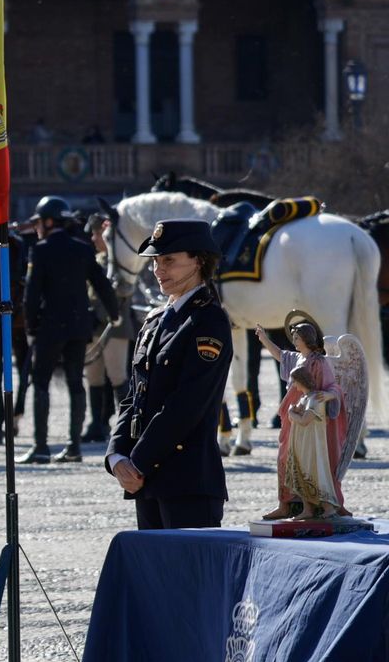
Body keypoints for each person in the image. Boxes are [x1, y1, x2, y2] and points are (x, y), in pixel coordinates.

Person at [106, 219, 233, 530]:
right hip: (146, 482)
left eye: (169, 261)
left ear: (199, 261)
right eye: (156, 262)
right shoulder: (155, 320)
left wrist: (137, 462)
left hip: (188, 481)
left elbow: (187, 404)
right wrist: (116, 455)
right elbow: (135, 397)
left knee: (192, 578)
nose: (158, 270)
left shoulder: (208, 320)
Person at [21, 195, 119, 464]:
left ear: (49, 221)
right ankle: (73, 446)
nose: (38, 226)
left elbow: (31, 294)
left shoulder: (40, 250)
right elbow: (102, 285)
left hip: (49, 328)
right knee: (77, 383)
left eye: (40, 221)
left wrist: (30, 326)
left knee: (41, 383)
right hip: (78, 327)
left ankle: (41, 447)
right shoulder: (83, 249)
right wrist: (115, 314)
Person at [255, 320, 346, 520]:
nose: (294, 341)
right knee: (284, 459)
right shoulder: (297, 359)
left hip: (311, 418)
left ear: (306, 339)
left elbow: (333, 387)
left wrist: (330, 396)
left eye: (296, 337)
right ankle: (285, 503)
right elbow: (280, 355)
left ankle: (317, 506)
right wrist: (263, 339)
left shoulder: (319, 362)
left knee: (309, 463)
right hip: (293, 417)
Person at [81, 214, 132, 443]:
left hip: (115, 327)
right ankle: (97, 423)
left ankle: (127, 424)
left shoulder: (120, 262)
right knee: (94, 376)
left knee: (118, 375)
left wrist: (100, 314)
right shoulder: (97, 259)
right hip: (94, 327)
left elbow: (120, 294)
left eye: (97, 234)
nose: (93, 238)